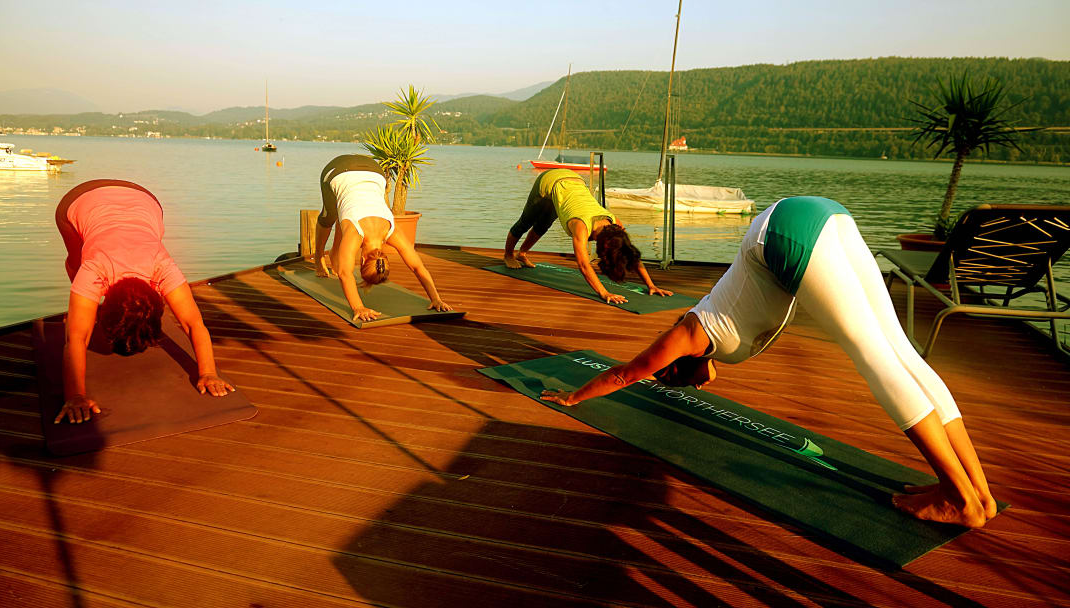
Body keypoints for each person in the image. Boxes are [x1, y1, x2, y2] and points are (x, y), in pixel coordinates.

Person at [542, 196, 996, 529]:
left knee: (873, 354)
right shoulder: (711, 342)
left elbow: (626, 372)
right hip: (823, 214)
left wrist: (575, 395)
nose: (702, 385)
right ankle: (978, 492)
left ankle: (961, 498)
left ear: (679, 366)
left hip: (782, 231)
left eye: (690, 383)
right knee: (899, 349)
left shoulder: (685, 336)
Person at [54, 179, 234, 424]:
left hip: (144, 199)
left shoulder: (162, 266)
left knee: (92, 272)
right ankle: (86, 306)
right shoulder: (94, 270)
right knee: (78, 262)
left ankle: (83, 303)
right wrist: (75, 395)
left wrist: (208, 373)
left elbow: (193, 322)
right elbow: (76, 337)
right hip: (77, 201)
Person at [313, 154, 452, 322]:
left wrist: (436, 298)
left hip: (375, 170)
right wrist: (358, 307)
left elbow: (418, 267)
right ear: (363, 260)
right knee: (329, 216)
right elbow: (345, 274)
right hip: (337, 170)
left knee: (345, 218)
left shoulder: (391, 229)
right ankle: (319, 258)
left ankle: (335, 253)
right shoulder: (356, 232)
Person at [504, 168, 672, 304]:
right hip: (551, 180)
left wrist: (651, 285)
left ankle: (523, 253)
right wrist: (604, 293)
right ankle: (508, 255)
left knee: (543, 225)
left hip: (575, 182)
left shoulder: (615, 223)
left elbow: (631, 253)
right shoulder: (581, 226)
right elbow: (584, 265)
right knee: (526, 221)